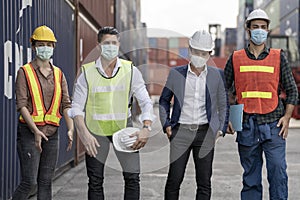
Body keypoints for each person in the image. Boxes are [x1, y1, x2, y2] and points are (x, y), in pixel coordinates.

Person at [68, 26, 154, 200]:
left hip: (123, 129)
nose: (111, 46)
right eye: (106, 43)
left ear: (119, 44)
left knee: (132, 178)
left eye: (114, 43)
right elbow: (76, 107)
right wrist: (83, 133)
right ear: (99, 46)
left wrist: (146, 127)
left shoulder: (130, 71)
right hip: (95, 133)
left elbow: (145, 102)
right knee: (95, 181)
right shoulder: (87, 73)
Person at [224, 9, 299, 200]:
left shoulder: (278, 56)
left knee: (278, 173)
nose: (260, 31)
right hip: (247, 126)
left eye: (263, 27)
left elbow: (292, 90)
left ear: (268, 30)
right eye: (255, 27)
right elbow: (221, 91)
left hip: (273, 125)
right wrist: (226, 118)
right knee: (251, 179)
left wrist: (287, 117)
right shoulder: (235, 57)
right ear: (247, 29)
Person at [159, 30, 231, 200]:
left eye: (203, 53)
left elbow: (224, 104)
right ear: (190, 50)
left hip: (205, 133)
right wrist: (166, 124)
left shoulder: (217, 75)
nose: (199, 56)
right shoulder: (176, 74)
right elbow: (163, 101)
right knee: (174, 180)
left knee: (204, 182)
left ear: (209, 54)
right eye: (196, 52)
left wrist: (220, 129)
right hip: (180, 133)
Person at [13, 25, 74, 200]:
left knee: (46, 182)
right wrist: (35, 130)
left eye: (49, 44)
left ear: (53, 47)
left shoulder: (59, 74)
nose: (45, 48)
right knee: (29, 183)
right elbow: (22, 105)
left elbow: (65, 103)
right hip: (29, 133)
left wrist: (70, 128)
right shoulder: (24, 72)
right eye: (41, 44)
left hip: (52, 134)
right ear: (33, 46)